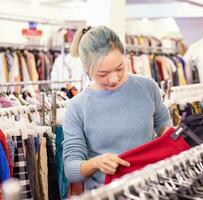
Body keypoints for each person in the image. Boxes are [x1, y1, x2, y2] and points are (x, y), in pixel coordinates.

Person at [62, 26, 172, 190]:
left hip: (150, 188)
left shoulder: (148, 87)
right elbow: (71, 169)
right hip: (106, 193)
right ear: (87, 70)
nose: (114, 79)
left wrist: (169, 133)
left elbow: (163, 122)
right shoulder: (77, 107)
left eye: (119, 68)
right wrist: (97, 162)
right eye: (103, 73)